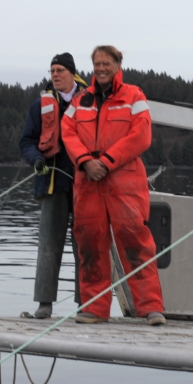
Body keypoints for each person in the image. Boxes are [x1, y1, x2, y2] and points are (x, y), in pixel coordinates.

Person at [60, 45, 166, 326]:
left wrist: (106, 162)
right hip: (87, 181)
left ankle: (151, 308)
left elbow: (141, 136)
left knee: (135, 241)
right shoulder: (80, 100)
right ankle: (95, 309)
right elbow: (67, 133)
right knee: (90, 243)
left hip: (124, 180)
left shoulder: (134, 96)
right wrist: (85, 161)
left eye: (106, 63)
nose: (101, 68)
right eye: (96, 63)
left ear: (118, 65)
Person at [18, 53, 87, 319]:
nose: (55, 74)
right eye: (52, 70)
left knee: (85, 244)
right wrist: (35, 159)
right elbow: (26, 141)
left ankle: (86, 304)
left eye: (59, 70)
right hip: (51, 182)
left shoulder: (90, 101)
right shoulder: (40, 105)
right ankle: (44, 304)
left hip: (85, 183)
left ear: (72, 73)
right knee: (49, 244)